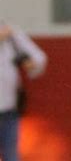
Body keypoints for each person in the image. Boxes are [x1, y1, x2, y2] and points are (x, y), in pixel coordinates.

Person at [0, 21, 48, 161]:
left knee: (11, 155)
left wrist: (30, 64)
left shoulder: (9, 33)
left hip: (9, 108)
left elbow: (39, 60)